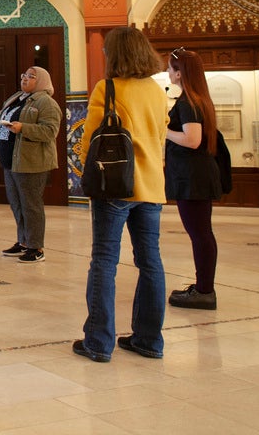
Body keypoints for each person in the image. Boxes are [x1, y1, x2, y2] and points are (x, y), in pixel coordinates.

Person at [74, 26, 169, 363]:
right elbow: (160, 136)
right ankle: (149, 340)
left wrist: (85, 172)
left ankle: (99, 343)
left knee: (104, 260)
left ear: (114, 54)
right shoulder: (157, 91)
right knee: (151, 262)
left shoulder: (109, 88)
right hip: (152, 186)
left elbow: (91, 138)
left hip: (114, 186)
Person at [0, 66, 62, 263]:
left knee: (31, 205)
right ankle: (23, 242)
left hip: (31, 161)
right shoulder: (18, 97)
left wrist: (23, 128)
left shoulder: (46, 102)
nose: (25, 79)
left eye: (31, 76)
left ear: (41, 81)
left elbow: (50, 131)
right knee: (17, 204)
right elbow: (11, 118)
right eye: (24, 75)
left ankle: (36, 247)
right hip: (11, 159)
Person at [164, 47, 223, 310]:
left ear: (179, 73)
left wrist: (162, 130)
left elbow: (192, 139)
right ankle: (202, 287)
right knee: (201, 233)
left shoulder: (189, 102)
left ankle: (204, 291)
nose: (167, 72)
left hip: (193, 178)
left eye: (170, 68)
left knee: (200, 234)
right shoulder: (196, 99)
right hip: (194, 175)